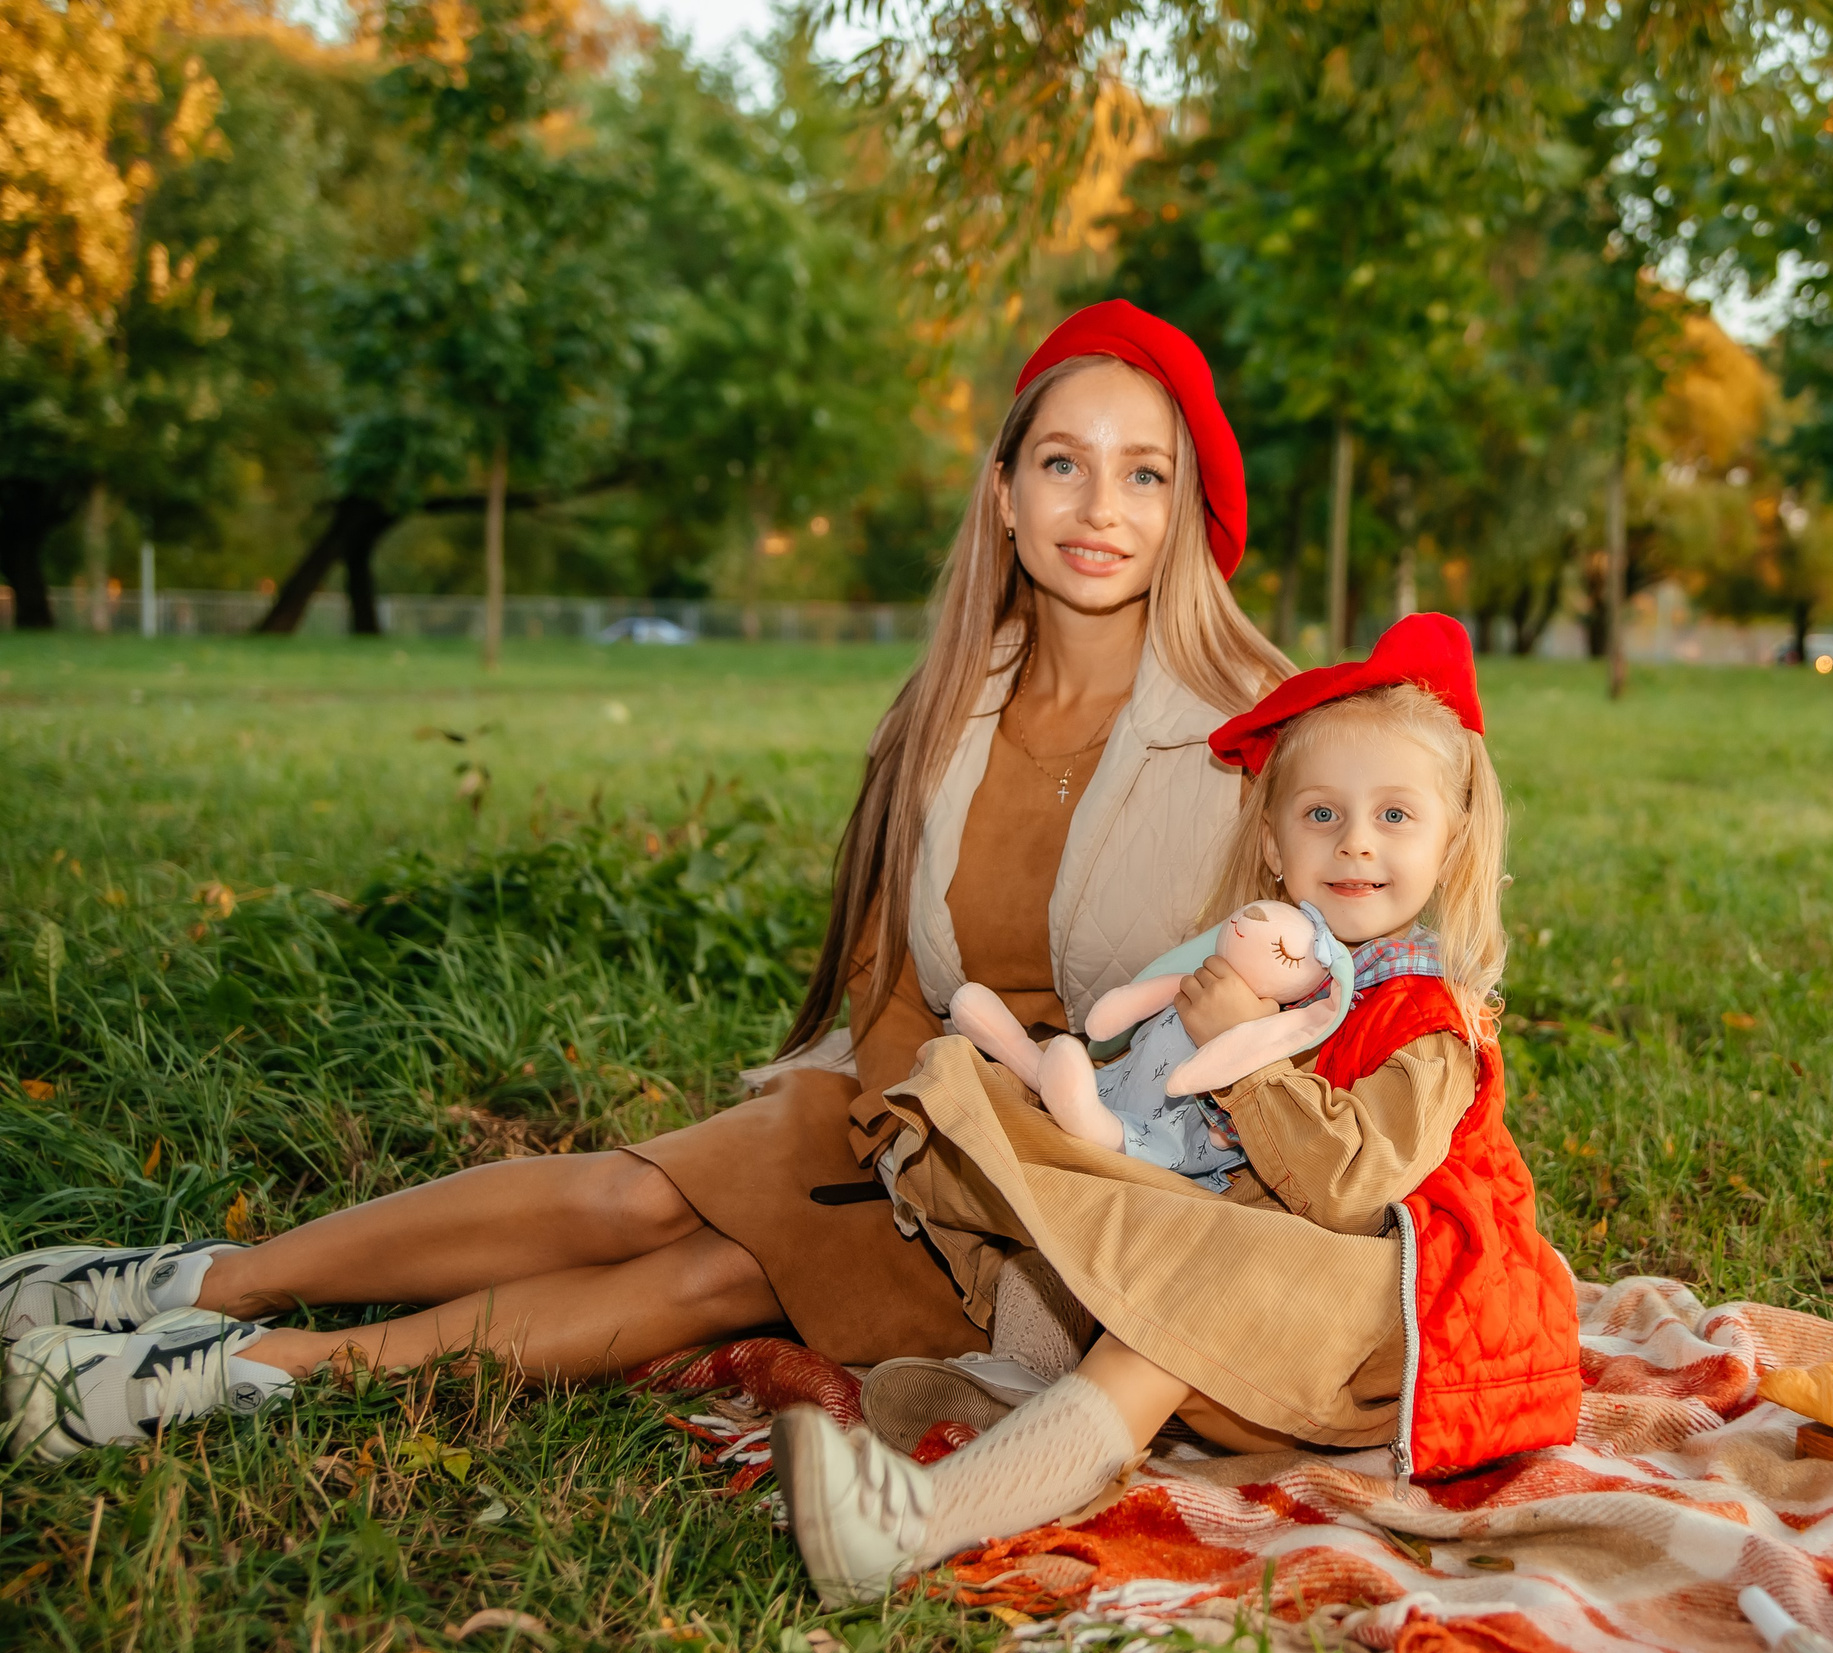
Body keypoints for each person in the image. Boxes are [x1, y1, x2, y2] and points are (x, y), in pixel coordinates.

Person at [0, 302, 1292, 1462]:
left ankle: (239, 1375)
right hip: (905, 1110)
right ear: (1003, 493)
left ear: (1185, 509)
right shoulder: (949, 704)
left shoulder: (1255, 735)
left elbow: (1316, 1003)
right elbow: (890, 975)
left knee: (715, 1272)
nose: (1100, 507)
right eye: (1063, 463)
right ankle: (200, 1282)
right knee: (634, 1192)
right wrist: (910, 1129)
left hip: (1074, 1200)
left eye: (1143, 472)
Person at [769, 614, 1584, 1607]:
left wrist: (1241, 1062)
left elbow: (1346, 1190)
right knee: (1079, 1172)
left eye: (1395, 815)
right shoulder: (1271, 969)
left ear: (1452, 846)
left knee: (1183, 1292)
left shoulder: (1429, 1020)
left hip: (1406, 1320)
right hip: (1285, 1276)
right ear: (1274, 846)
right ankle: (1038, 1390)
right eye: (1321, 813)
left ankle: (916, 1524)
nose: (1356, 841)